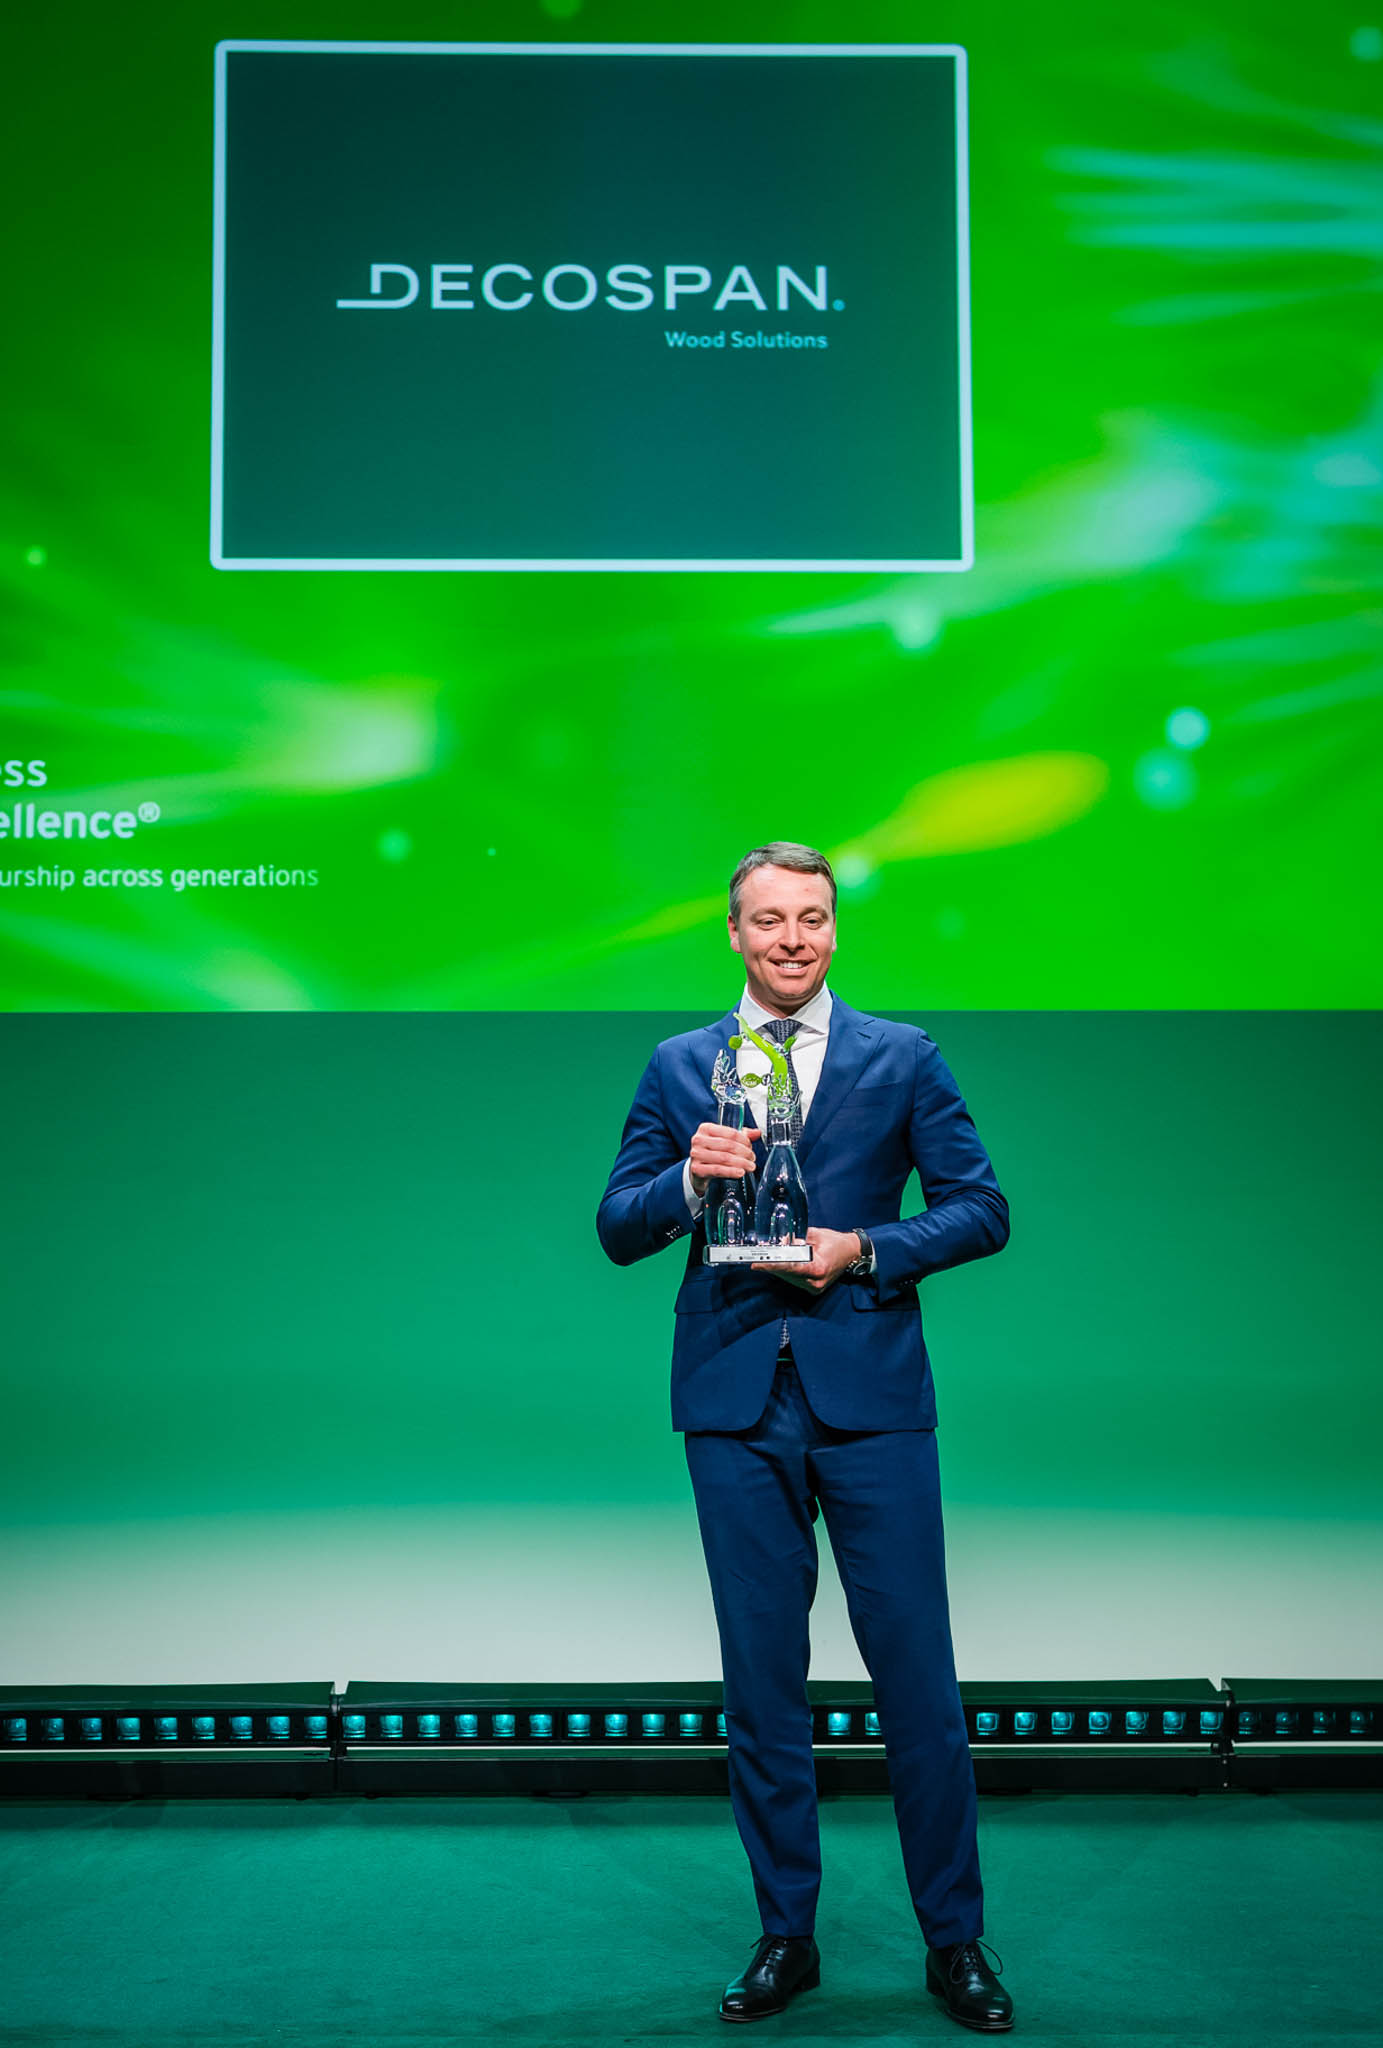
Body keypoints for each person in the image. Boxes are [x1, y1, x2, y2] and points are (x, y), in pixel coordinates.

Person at [596, 841, 1015, 2032]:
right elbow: (618, 1225)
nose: (794, 939)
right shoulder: (680, 1065)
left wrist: (866, 1247)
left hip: (871, 1396)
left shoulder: (903, 1054)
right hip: (734, 1397)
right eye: (771, 919)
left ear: (835, 928)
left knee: (918, 1681)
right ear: (734, 932)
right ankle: (787, 1931)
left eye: (814, 918)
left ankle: (955, 1938)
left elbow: (982, 1207)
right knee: (762, 1684)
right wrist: (688, 1181)